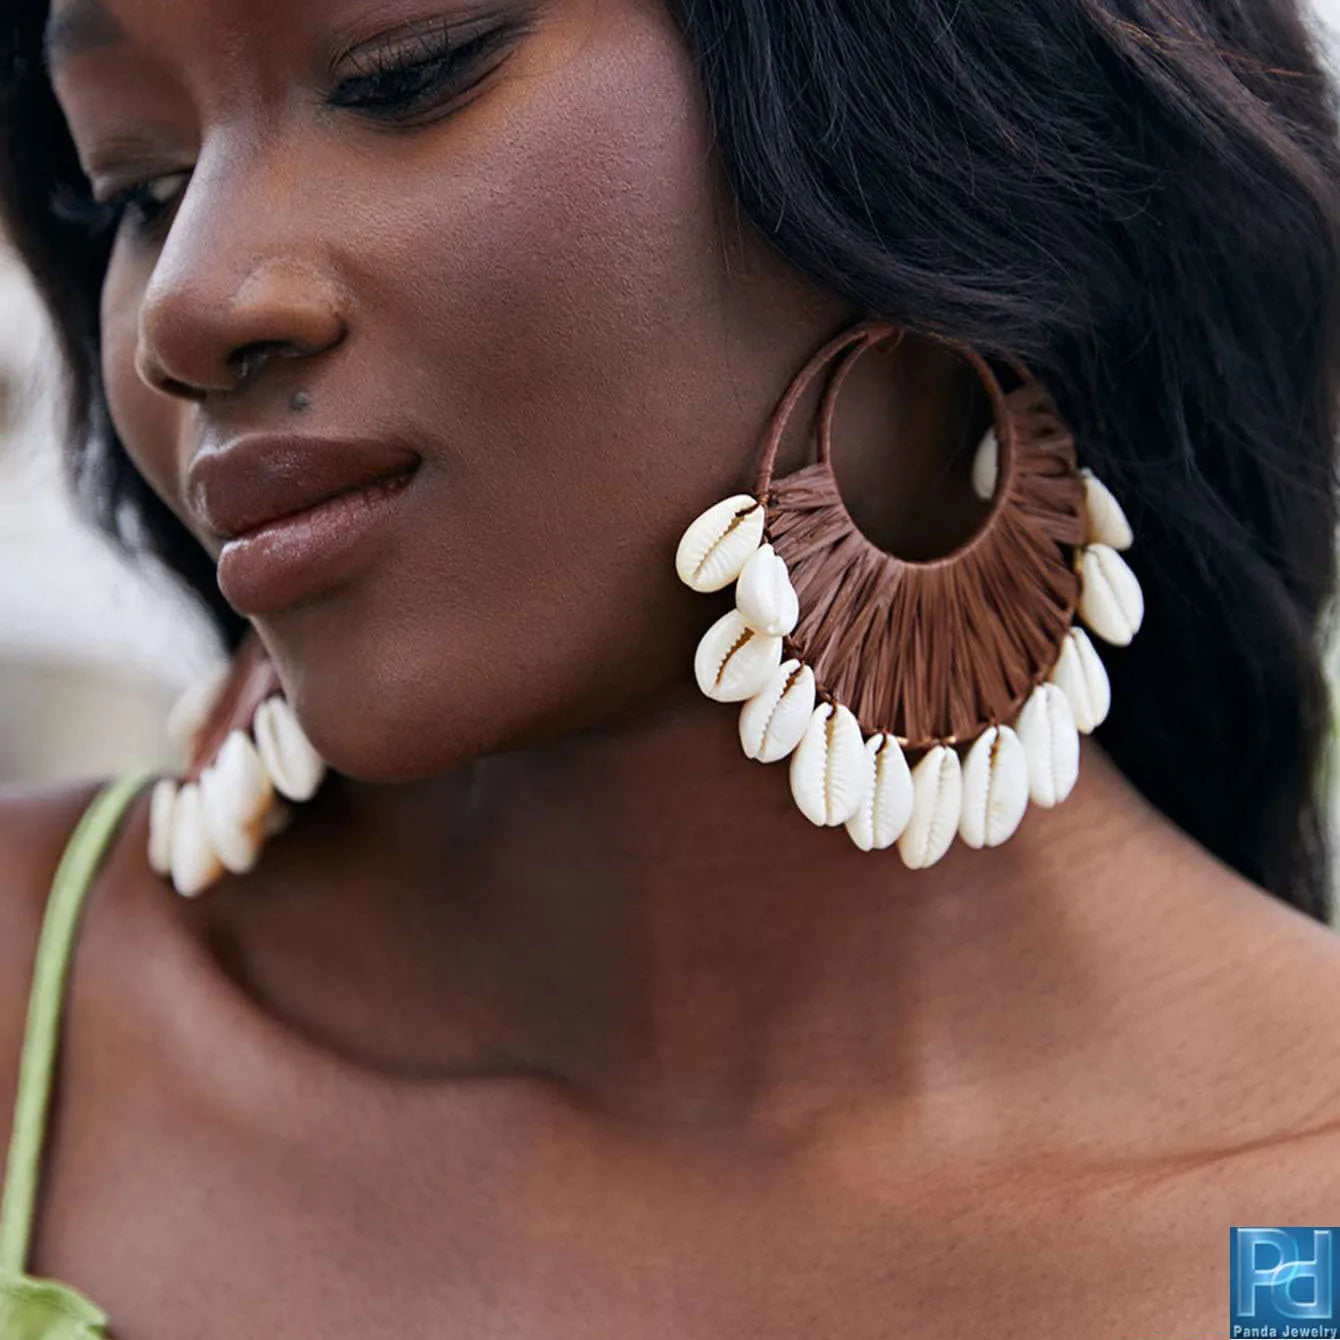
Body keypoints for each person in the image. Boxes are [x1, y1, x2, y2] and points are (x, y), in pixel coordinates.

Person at [2, 0, 1340, 1334]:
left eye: (411, 75)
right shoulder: (30, 1025)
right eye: (138, 186)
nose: (181, 306)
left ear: (931, 114)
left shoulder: (1291, 1251)